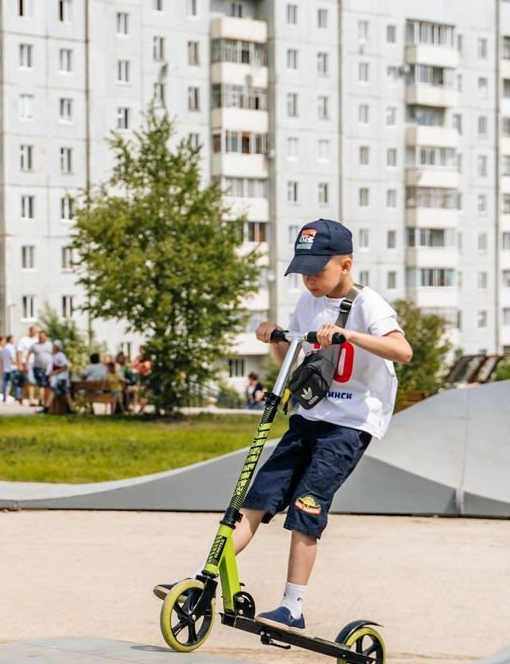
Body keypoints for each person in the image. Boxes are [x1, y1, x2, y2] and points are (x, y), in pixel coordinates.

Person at [155, 218, 412, 631]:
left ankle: (292, 606)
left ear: (345, 265)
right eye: (304, 271)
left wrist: (348, 335)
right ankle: (201, 581)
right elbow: (290, 362)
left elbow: (402, 351)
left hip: (348, 425)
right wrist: (277, 339)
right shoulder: (308, 303)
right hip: (308, 417)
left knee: (306, 508)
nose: (309, 280)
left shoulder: (369, 305)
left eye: (318, 271)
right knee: (254, 502)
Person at [30, 328, 55, 408]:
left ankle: (46, 401)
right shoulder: (34, 345)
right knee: (42, 385)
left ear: (46, 337)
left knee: (47, 386)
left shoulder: (50, 345)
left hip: (48, 369)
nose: (41, 338)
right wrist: (26, 364)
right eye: (40, 336)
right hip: (38, 368)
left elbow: (55, 355)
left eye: (43, 336)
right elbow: (28, 354)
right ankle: (42, 400)